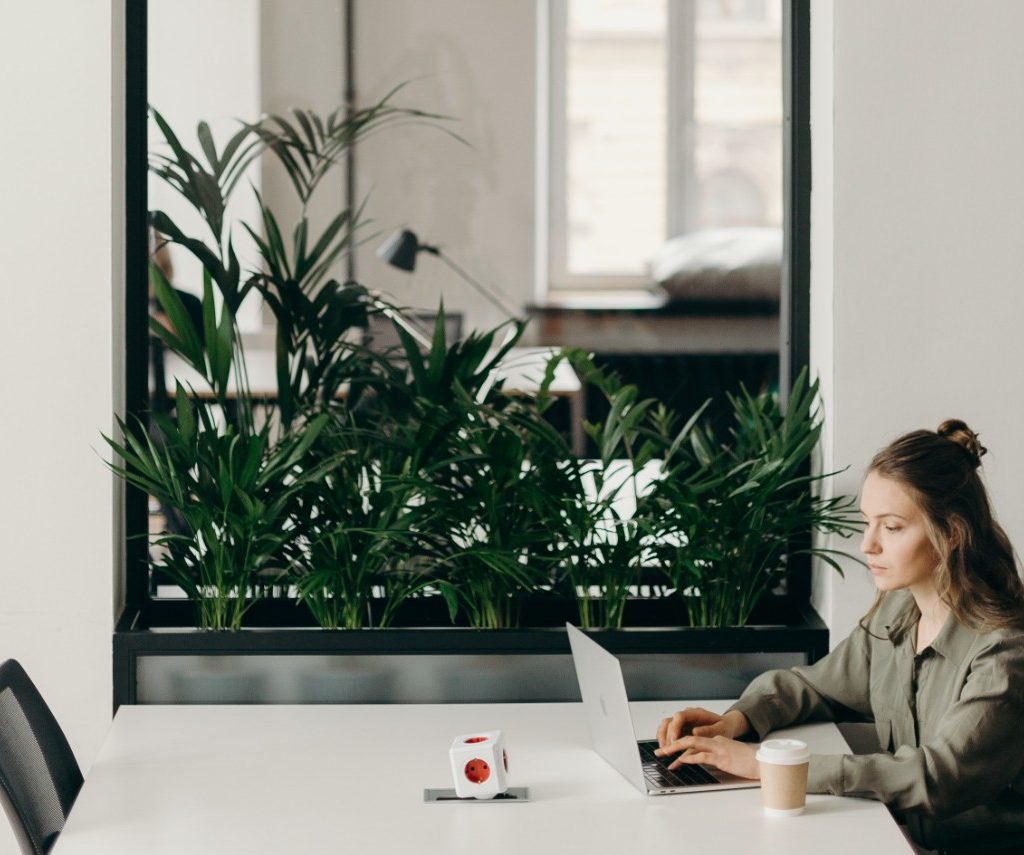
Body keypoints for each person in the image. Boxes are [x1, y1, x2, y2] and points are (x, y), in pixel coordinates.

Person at [655, 420, 1024, 853]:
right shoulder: (898, 609)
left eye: (892, 527)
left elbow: (938, 778)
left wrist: (769, 765)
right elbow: (815, 684)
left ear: (952, 534)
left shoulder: (1004, 649)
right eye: (867, 522)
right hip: (899, 839)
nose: (868, 544)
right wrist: (737, 721)